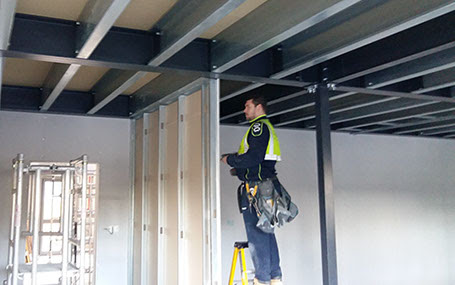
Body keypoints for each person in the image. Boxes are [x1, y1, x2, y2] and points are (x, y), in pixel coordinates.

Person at [221, 95, 283, 285]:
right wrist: (239, 169)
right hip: (267, 185)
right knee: (266, 230)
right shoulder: (267, 127)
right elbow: (259, 160)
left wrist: (229, 159)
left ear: (258, 107)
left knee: (256, 232)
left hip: (256, 187)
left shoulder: (258, 127)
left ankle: (262, 278)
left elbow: (253, 157)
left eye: (247, 106)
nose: (245, 110)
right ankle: (274, 275)